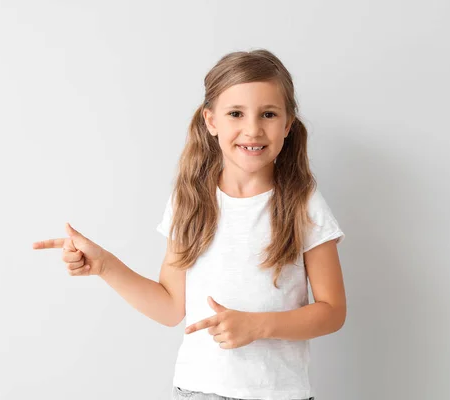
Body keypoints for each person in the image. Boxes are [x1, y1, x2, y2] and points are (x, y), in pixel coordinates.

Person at [33, 48, 346, 400]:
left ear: (288, 124)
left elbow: (332, 312)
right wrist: (105, 266)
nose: (253, 129)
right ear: (211, 121)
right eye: (236, 114)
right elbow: (170, 308)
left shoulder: (303, 204)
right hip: (198, 390)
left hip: (279, 394)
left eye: (268, 114)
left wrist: (258, 325)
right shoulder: (190, 202)